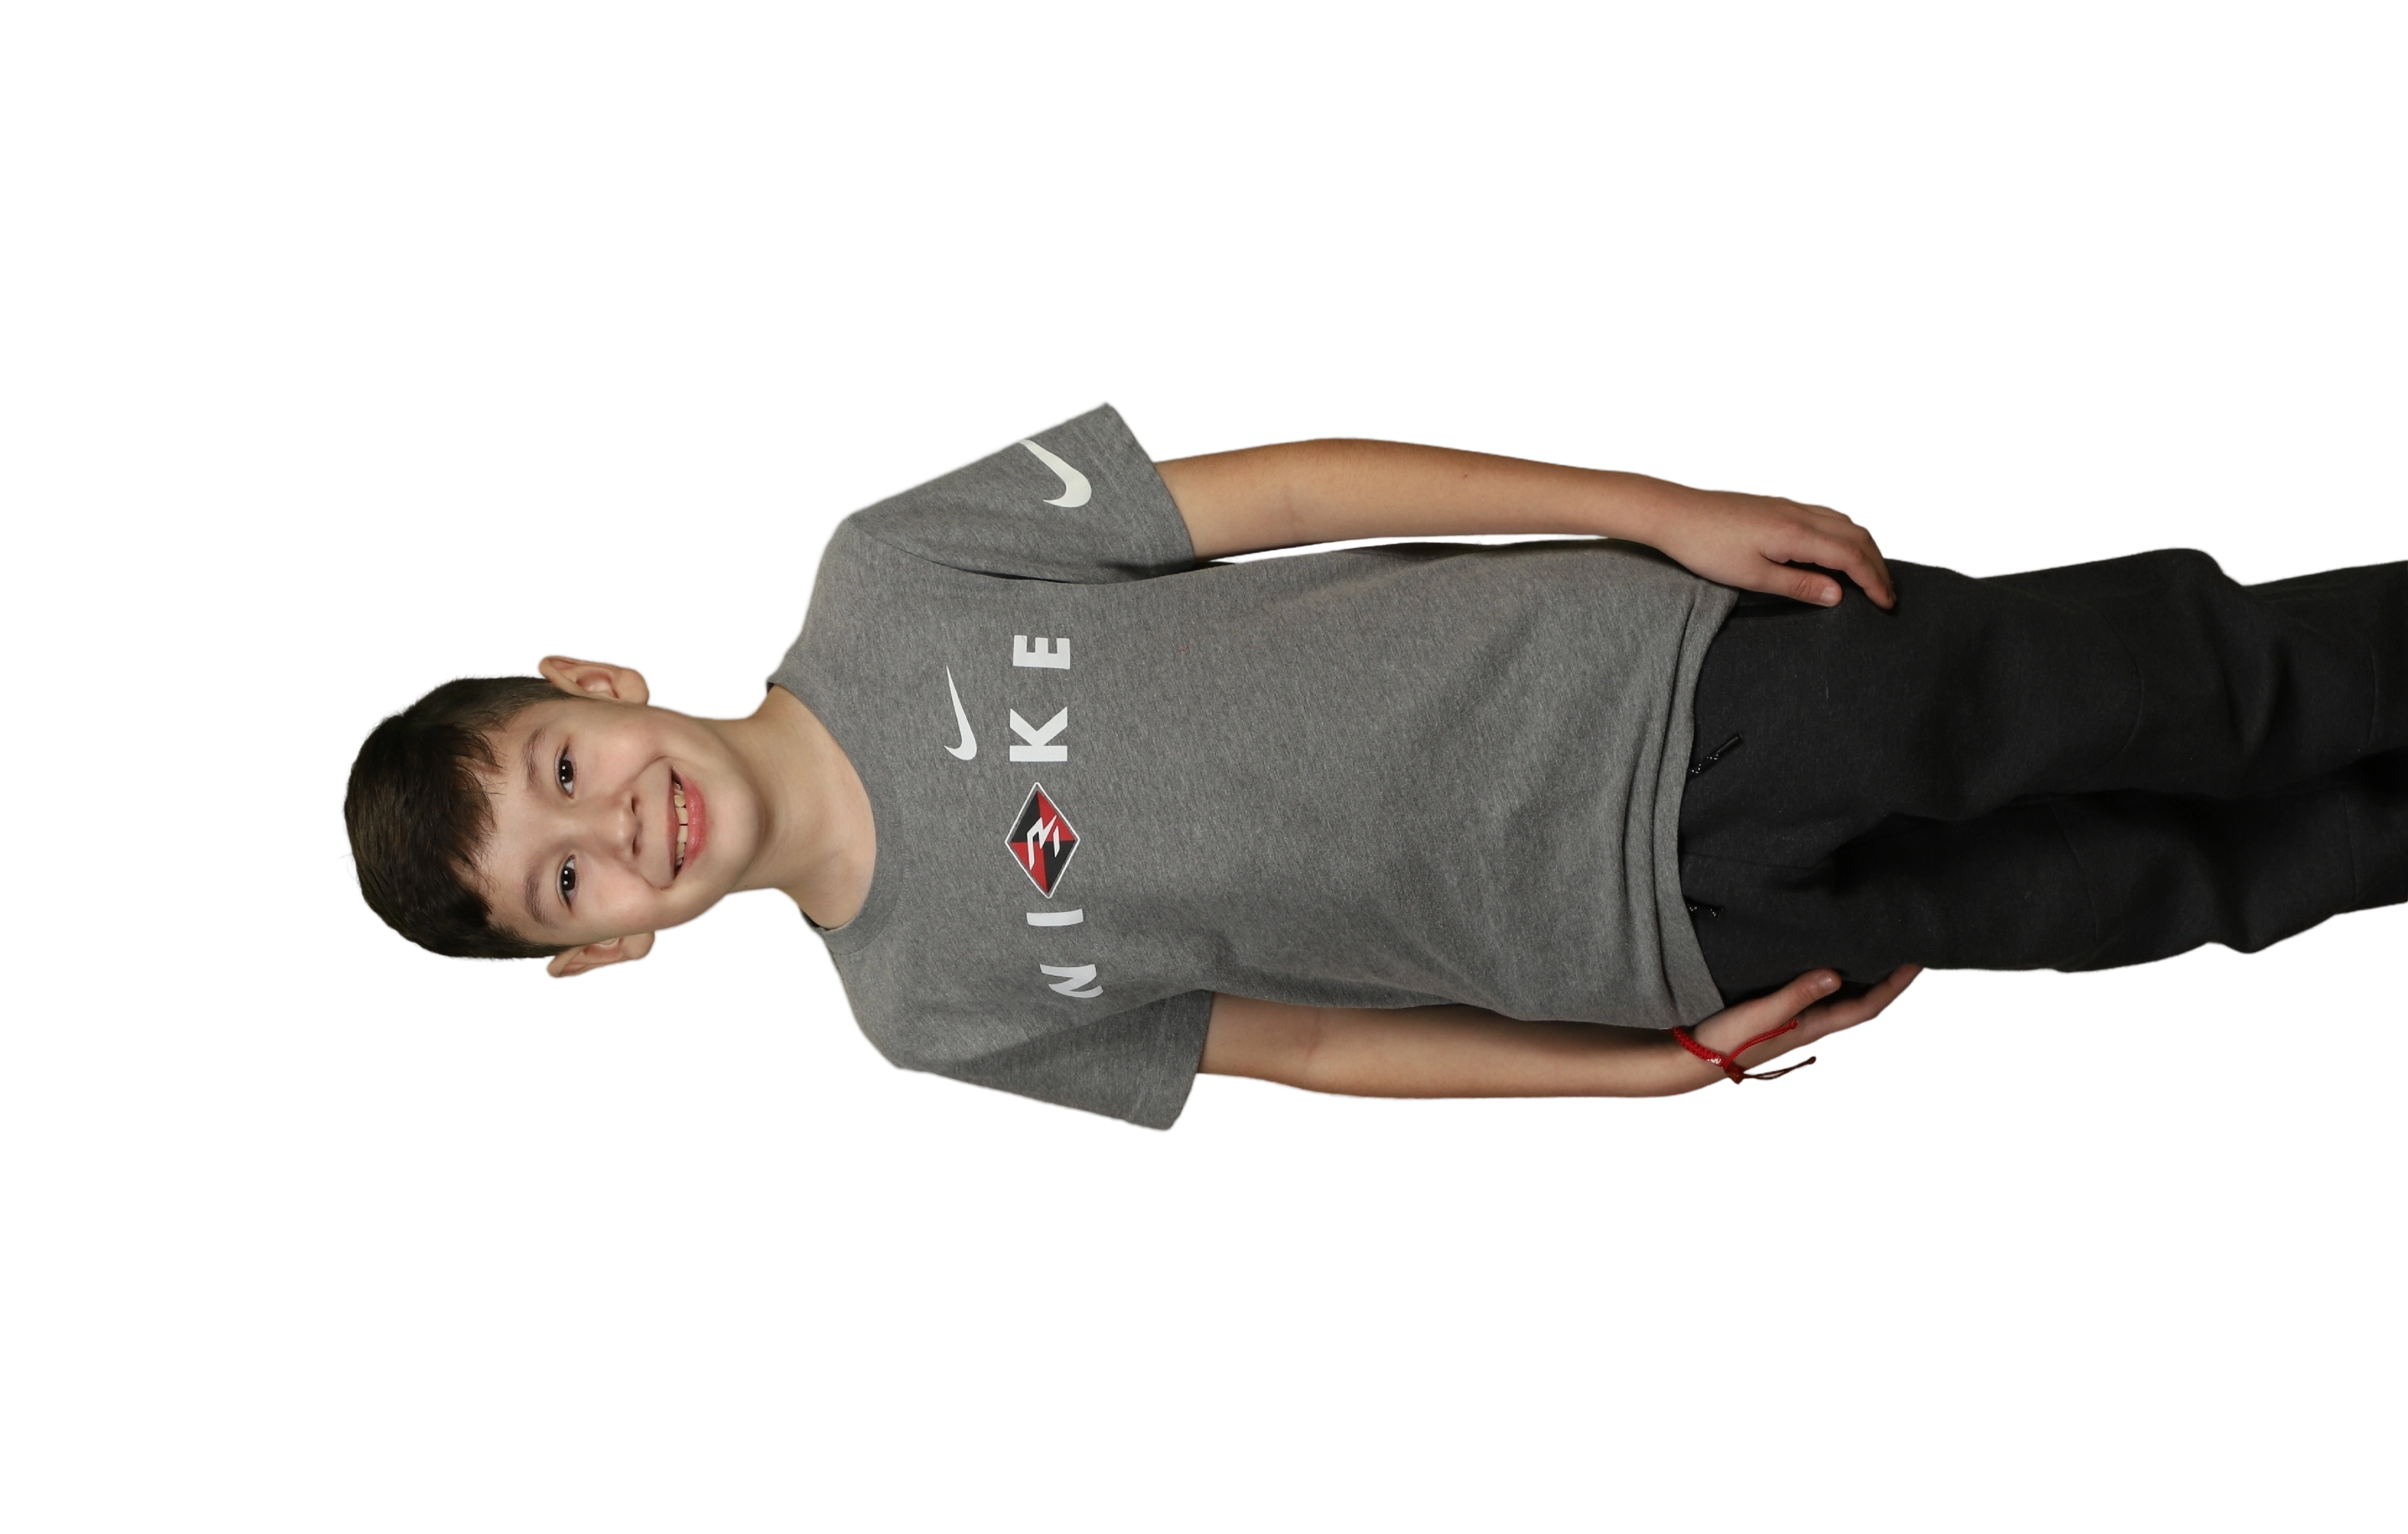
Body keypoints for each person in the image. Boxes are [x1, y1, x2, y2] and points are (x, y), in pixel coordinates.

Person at [334, 400, 2408, 1132]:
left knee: (2193, 691)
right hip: (1666, 940)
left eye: (561, 764)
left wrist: (1651, 512)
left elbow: (1296, 492)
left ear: (594, 679)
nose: (615, 824)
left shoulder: (894, 565)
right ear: (606, 956)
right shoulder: (928, 1014)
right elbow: (1311, 1049)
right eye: (566, 879)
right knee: (2168, 892)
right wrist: (1646, 1074)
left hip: (1682, 684)